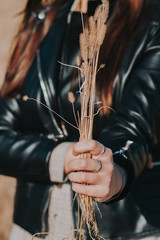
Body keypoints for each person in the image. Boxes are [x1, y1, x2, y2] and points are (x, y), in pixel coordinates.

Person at [0, 0, 160, 239]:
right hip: (34, 229)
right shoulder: (43, 12)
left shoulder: (151, 18)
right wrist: (64, 157)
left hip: (124, 230)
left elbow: (134, 127)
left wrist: (115, 171)